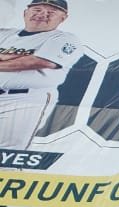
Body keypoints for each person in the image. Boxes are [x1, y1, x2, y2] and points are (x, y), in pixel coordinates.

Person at [0, 0, 83, 150]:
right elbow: (28, 59)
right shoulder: (4, 33)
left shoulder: (65, 39)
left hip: (23, 100)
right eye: (37, 9)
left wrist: (9, 57)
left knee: (7, 155)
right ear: (25, 13)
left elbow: (39, 62)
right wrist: (19, 58)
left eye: (51, 12)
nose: (42, 14)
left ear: (63, 18)